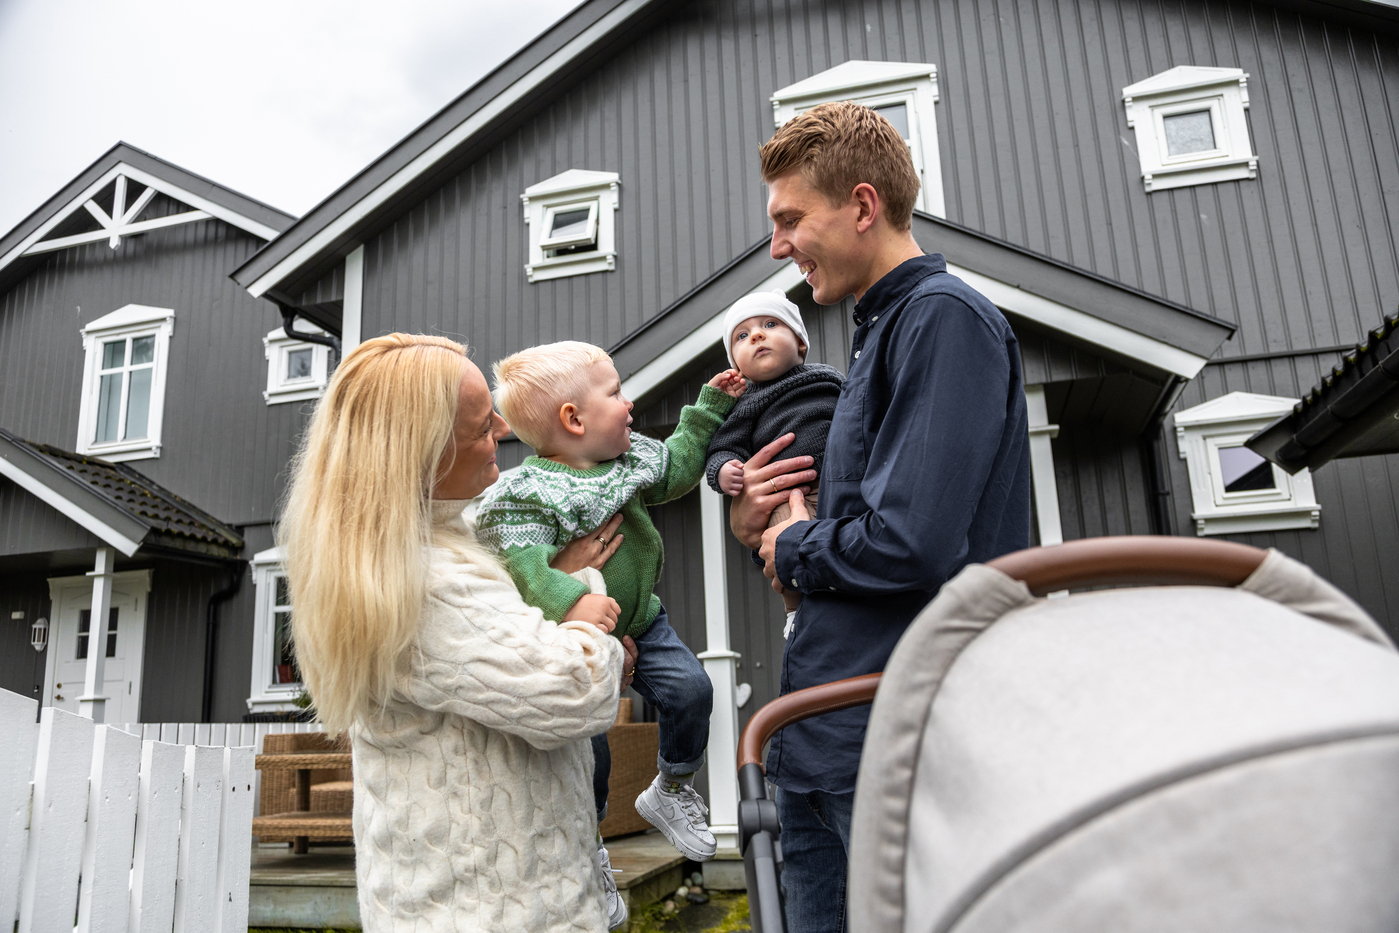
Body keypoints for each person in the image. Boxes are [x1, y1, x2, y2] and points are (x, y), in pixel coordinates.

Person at [730, 102, 1033, 933]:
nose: (777, 247)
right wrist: (765, 528)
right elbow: (871, 534)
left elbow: (910, 543)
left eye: (790, 219)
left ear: (862, 206)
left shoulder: (940, 318)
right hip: (825, 737)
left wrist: (794, 545)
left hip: (893, 744)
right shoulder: (873, 337)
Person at [279, 333, 638, 932]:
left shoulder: (441, 540)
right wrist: (584, 594)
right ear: (420, 452)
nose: (502, 428)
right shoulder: (421, 580)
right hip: (490, 908)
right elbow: (573, 690)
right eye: (478, 425)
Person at [474, 340, 745, 867]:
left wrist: (707, 409)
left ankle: (671, 786)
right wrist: (575, 603)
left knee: (692, 689)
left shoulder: (630, 459)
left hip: (644, 620)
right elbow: (526, 569)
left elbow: (678, 469)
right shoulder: (528, 493)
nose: (629, 404)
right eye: (616, 392)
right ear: (573, 419)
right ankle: (589, 840)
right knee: (589, 750)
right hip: (579, 643)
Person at [704, 288, 844, 629]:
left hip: (841, 484)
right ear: (736, 363)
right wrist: (724, 471)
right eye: (742, 335)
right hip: (788, 493)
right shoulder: (745, 404)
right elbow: (722, 447)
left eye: (770, 324)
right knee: (785, 541)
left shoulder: (828, 378)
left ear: (799, 343)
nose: (757, 335)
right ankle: (795, 613)